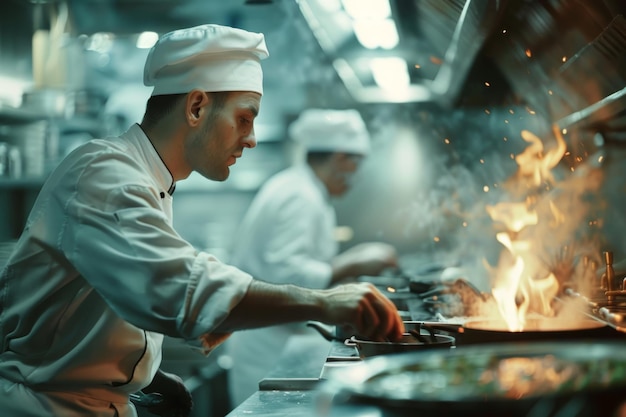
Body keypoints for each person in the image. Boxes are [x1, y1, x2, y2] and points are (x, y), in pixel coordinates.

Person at [0, 24, 404, 417]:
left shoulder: (147, 179)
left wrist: (149, 377)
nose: (252, 138)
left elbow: (103, 302)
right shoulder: (105, 174)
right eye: (245, 118)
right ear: (196, 107)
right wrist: (327, 301)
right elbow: (175, 287)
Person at [226, 108, 399, 406]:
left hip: (281, 338)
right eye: (356, 165)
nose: (355, 177)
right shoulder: (299, 196)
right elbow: (286, 274)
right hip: (269, 348)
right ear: (340, 158)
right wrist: (353, 262)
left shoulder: (307, 191)